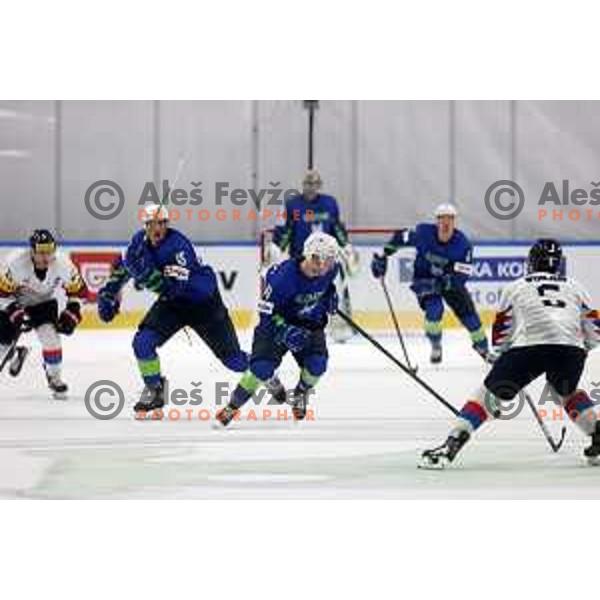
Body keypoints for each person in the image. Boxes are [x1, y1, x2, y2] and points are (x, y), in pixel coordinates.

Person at [420, 239, 600, 468]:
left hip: (529, 349)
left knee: (487, 396)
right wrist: (577, 349)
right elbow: (595, 330)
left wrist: (499, 354)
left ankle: (452, 442)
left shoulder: (516, 286)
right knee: (566, 392)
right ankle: (596, 431)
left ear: (532, 262)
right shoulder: (576, 286)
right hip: (570, 351)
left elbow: (503, 330)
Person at [96, 204, 247, 415]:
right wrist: (109, 293)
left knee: (235, 362)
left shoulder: (179, 246)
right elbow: (124, 267)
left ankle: (262, 368)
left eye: (162, 223)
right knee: (142, 343)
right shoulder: (137, 243)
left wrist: (145, 275)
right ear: (145, 226)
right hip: (174, 304)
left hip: (203, 303)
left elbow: (172, 288)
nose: (157, 228)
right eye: (151, 224)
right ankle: (155, 390)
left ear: (168, 224)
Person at [216, 231, 340, 426]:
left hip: (309, 323)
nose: (322, 266)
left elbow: (326, 287)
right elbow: (265, 313)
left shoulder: (332, 269)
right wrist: (284, 330)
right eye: (317, 259)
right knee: (261, 368)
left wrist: (330, 296)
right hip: (276, 323)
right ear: (307, 254)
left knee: (318, 364)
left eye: (329, 260)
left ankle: (300, 393)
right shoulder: (282, 278)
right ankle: (234, 405)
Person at [370, 203, 488, 363]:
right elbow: (400, 237)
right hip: (425, 280)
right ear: (436, 221)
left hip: (451, 284)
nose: (446, 223)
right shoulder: (423, 233)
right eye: (442, 218)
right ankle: (436, 344)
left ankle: (483, 348)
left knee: (471, 319)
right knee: (434, 311)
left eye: (450, 219)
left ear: (454, 222)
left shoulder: (463, 244)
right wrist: (384, 255)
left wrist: (447, 283)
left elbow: (463, 274)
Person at [264, 169, 358, 342]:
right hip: (303, 262)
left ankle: (340, 328)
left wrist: (346, 246)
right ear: (303, 185)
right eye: (308, 183)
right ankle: (300, 326)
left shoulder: (330, 203)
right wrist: (277, 247)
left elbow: (337, 227)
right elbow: (286, 229)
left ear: (319, 185)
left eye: (314, 184)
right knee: (303, 296)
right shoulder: (293, 204)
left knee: (336, 290)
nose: (311, 187)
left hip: (329, 261)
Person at [0, 230, 87, 398]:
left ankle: (54, 378)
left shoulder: (63, 264)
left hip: (43, 303)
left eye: (49, 251)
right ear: (31, 251)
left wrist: (73, 312)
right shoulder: (16, 264)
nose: (46, 257)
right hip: (14, 301)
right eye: (41, 252)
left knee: (51, 340)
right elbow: (1, 295)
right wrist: (15, 312)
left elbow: (80, 292)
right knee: (3, 343)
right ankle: (16, 352)